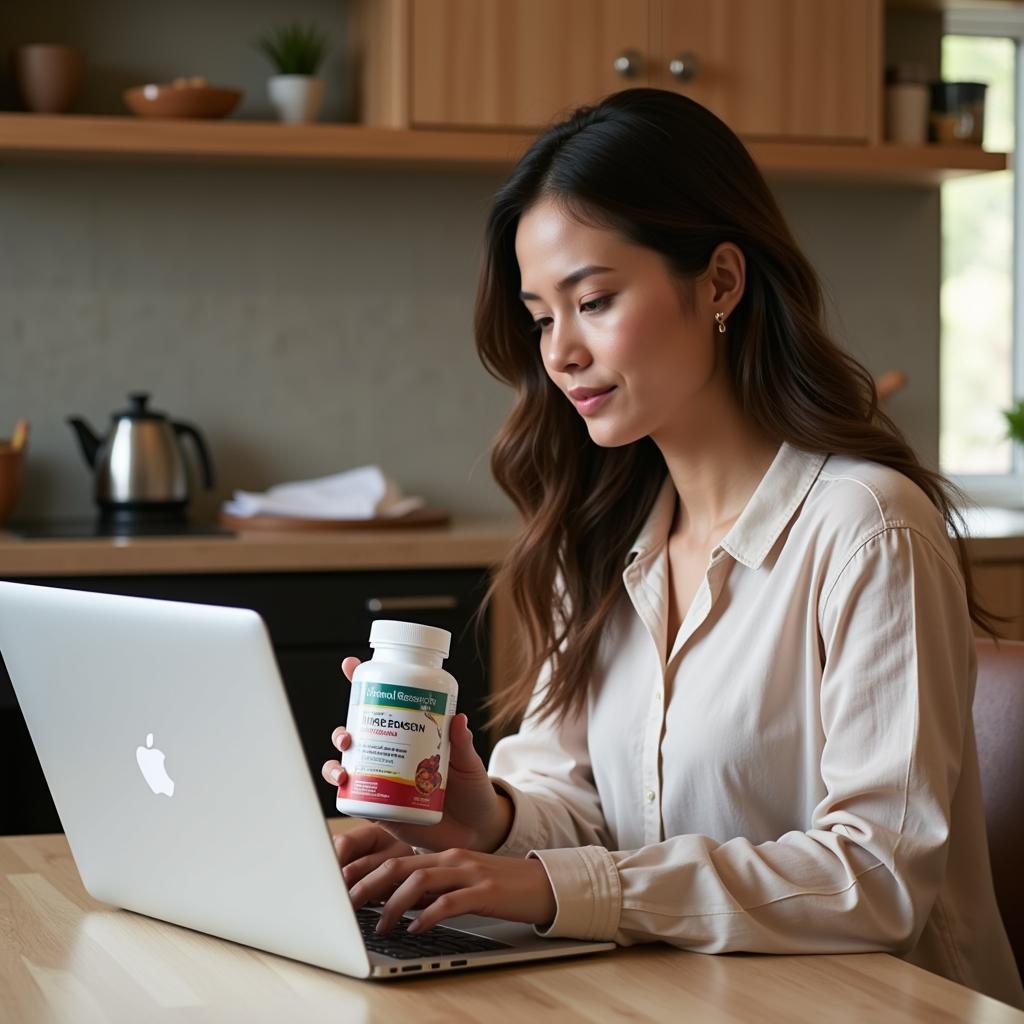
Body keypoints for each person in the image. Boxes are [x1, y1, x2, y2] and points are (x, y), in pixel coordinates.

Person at [321, 88, 1024, 1008]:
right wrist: (481, 819)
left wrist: (557, 888)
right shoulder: (604, 533)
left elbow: (876, 877)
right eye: (541, 316)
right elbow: (584, 811)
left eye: (595, 300)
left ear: (722, 283)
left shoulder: (868, 528)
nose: (561, 351)